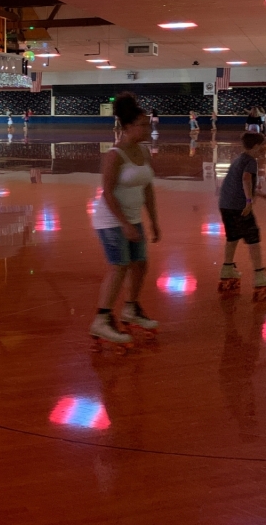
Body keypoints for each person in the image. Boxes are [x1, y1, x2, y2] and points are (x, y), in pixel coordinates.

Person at [89, 93, 161, 347]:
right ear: (129, 126)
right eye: (143, 124)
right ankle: (102, 319)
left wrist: (152, 220)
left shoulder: (143, 151)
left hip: (132, 219)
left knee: (140, 264)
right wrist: (125, 224)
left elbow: (148, 188)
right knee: (120, 266)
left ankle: (131, 308)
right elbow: (107, 193)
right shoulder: (115, 155)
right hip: (110, 220)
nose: (148, 128)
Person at [217, 133, 266, 298]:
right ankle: (259, 276)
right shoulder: (251, 162)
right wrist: (249, 202)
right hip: (239, 207)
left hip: (225, 204)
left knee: (233, 236)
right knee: (253, 238)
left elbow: (241, 182)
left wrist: (262, 195)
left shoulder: (240, 159)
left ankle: (227, 268)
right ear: (256, 146)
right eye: (263, 144)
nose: (265, 147)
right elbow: (246, 179)